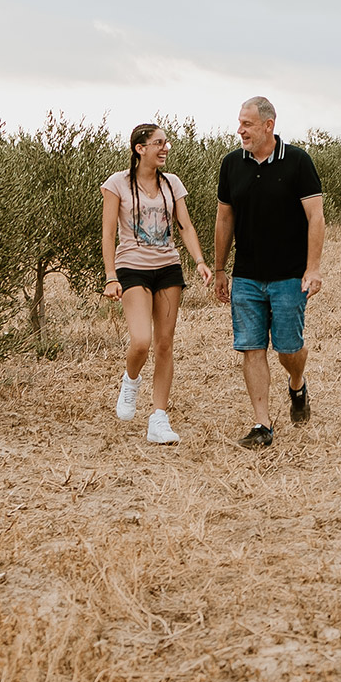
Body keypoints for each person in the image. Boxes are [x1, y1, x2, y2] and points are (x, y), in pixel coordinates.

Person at [213, 97, 325, 449]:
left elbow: (315, 217)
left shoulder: (297, 162)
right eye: (239, 123)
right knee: (251, 347)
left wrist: (313, 268)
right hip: (246, 275)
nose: (240, 130)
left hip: (290, 275)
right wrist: (219, 269)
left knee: (288, 348)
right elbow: (224, 217)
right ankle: (262, 425)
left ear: (268, 125)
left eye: (246, 124)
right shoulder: (231, 164)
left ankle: (297, 383)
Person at [102, 123, 213, 445]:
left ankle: (158, 418)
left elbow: (185, 226)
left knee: (165, 343)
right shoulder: (117, 184)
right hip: (132, 268)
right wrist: (111, 276)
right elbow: (108, 234)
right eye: (159, 143)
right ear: (140, 148)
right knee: (141, 341)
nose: (166, 148)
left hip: (168, 267)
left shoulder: (172, 184)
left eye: (166, 143)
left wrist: (200, 261)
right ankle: (131, 381)